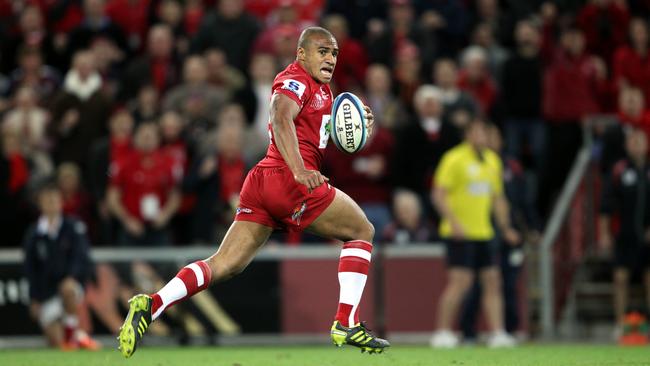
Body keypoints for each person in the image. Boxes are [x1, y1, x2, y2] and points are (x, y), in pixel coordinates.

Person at [117, 27, 389, 358]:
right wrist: (300, 170)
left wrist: (356, 126)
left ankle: (152, 303)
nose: (330, 58)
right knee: (362, 230)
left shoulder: (324, 93)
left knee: (225, 264)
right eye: (322, 51)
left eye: (334, 53)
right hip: (289, 181)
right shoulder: (295, 79)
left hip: (262, 182)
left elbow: (314, 134)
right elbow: (280, 115)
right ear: (301, 54)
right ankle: (346, 322)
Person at [430, 119, 519, 348]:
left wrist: (506, 227)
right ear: (468, 134)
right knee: (460, 282)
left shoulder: (492, 160)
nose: (482, 136)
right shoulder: (454, 159)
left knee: (492, 281)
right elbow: (438, 194)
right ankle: (442, 332)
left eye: (485, 132)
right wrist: (454, 222)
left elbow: (497, 198)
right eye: (478, 132)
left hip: (484, 232)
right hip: (459, 233)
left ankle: (498, 333)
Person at [23, 183, 99, 350]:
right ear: (40, 204)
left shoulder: (73, 227)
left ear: (60, 203)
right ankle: (79, 338)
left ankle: (72, 336)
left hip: (69, 288)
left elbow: (81, 257)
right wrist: (34, 298)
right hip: (46, 294)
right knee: (57, 343)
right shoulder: (34, 233)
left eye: (54, 200)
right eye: (47, 200)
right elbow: (30, 269)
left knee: (68, 289)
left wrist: (72, 277)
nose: (51, 204)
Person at [599, 128, 650, 338]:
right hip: (625, 234)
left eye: (641, 141)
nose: (637, 145)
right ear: (627, 146)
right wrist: (604, 233)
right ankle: (620, 323)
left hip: (648, 235)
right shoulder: (619, 170)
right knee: (620, 278)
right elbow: (606, 205)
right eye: (633, 141)